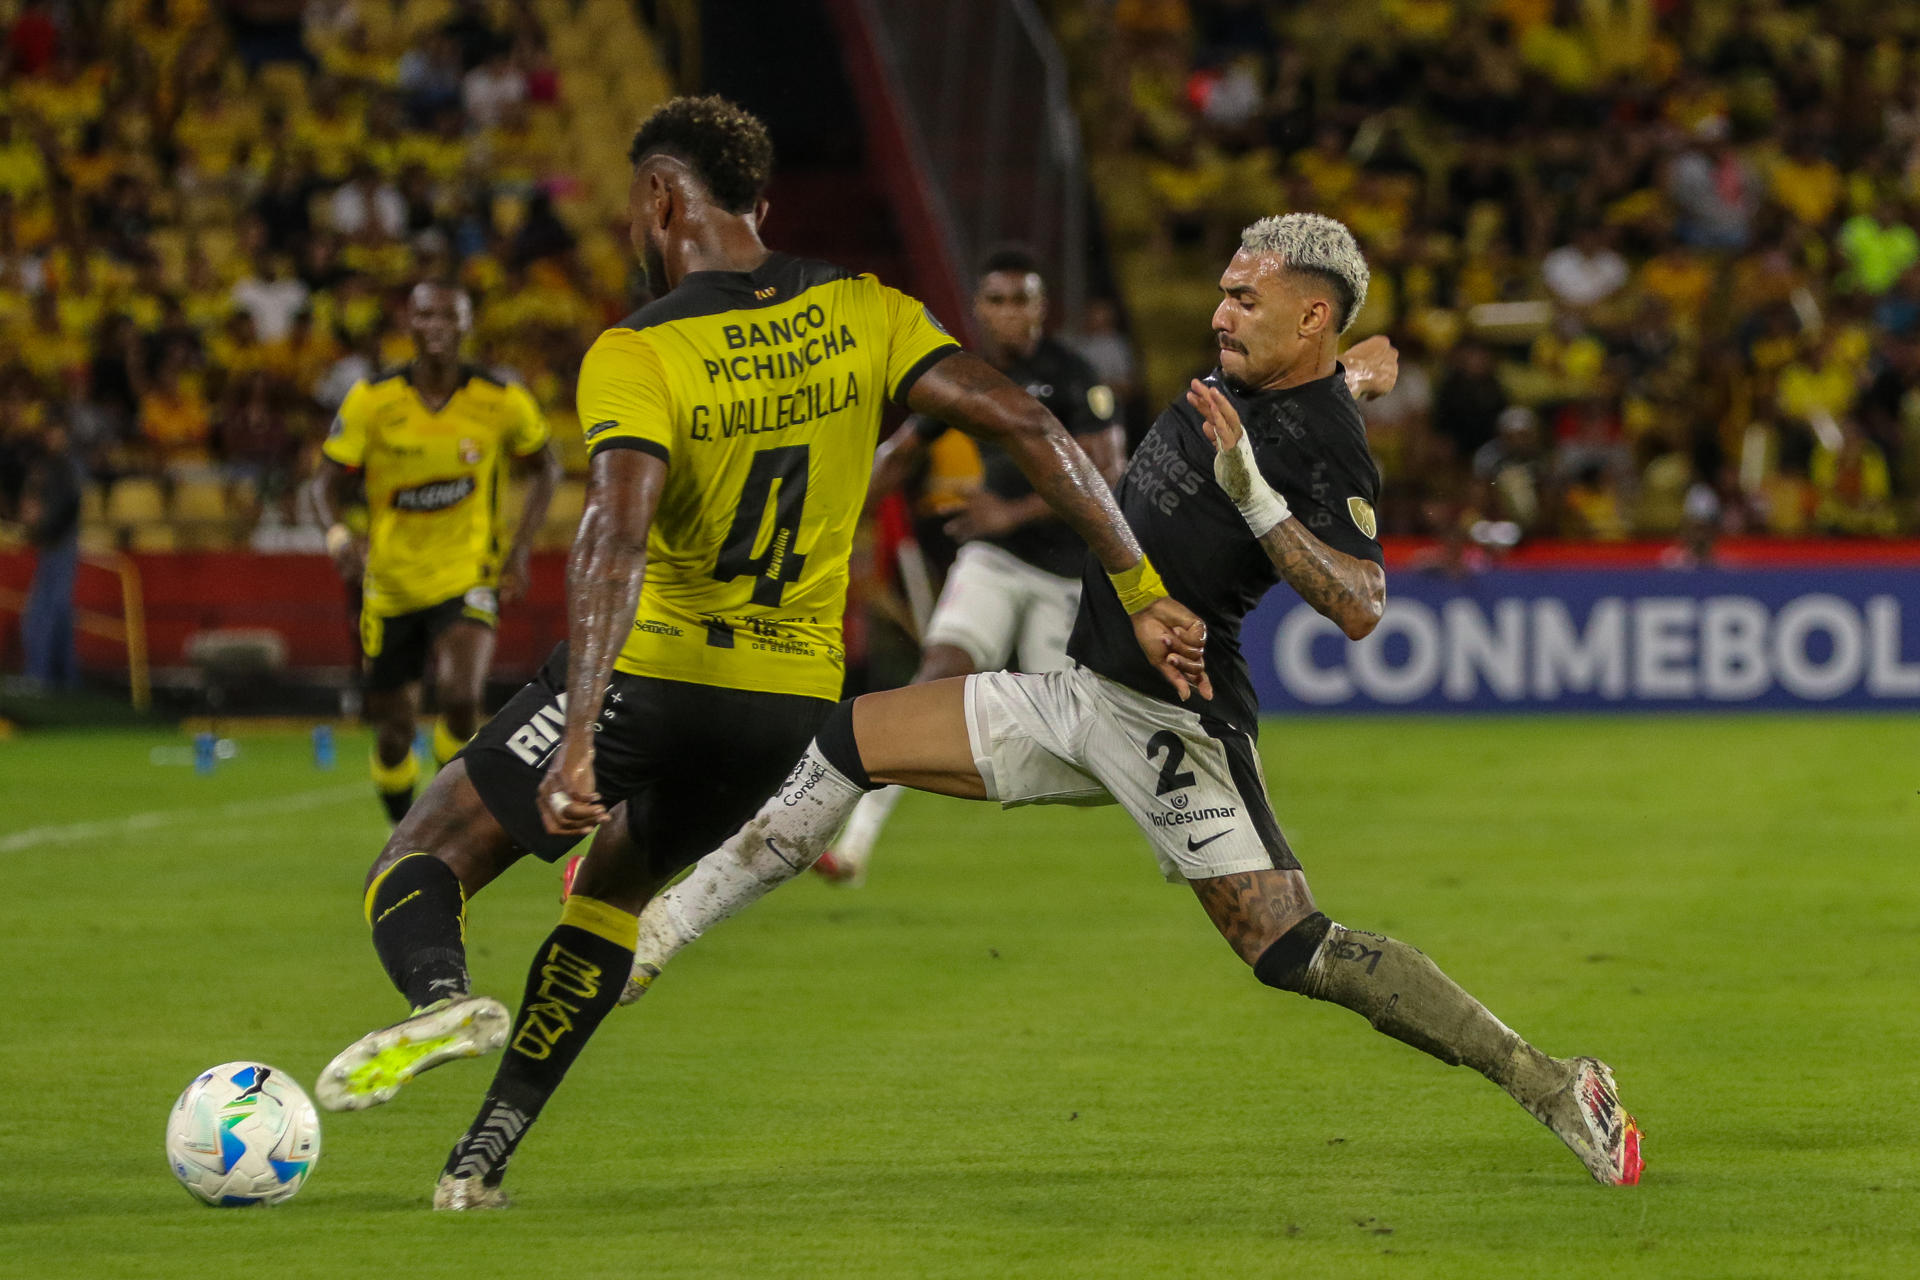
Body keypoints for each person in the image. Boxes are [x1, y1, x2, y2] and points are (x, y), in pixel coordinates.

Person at [618, 213, 1645, 1190]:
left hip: (1174, 725)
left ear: (1307, 316)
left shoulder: (1318, 442)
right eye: (1223, 295)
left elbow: (1361, 604)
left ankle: (1555, 1083)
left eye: (1244, 298)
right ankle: (660, 933)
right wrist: (1368, 369)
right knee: (851, 734)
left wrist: (1254, 491)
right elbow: (1361, 364)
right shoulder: (1284, 365)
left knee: (1293, 948)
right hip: (1076, 693)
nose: (1219, 315)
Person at [308, 96, 1207, 1211]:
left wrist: (580, 732)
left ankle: (436, 995)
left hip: (656, 672)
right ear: (761, 206)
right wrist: (1142, 583)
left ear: (659, 198)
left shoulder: (639, 351)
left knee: (422, 853)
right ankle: (480, 1157)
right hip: (786, 704)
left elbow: (614, 538)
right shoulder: (867, 309)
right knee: (611, 900)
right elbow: (1032, 425)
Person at [815, 246, 1124, 885]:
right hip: (993, 561)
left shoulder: (1072, 374)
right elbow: (900, 454)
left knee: (1085, 749)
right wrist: (830, 527)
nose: (1014, 314)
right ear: (979, 310)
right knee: (932, 680)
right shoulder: (969, 373)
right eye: (999, 300)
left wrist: (1009, 514)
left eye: (1025, 299)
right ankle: (853, 846)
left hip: (1066, 576)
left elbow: (1105, 471)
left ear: (1043, 308)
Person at [310, 281, 561, 823]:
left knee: (461, 695)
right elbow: (323, 483)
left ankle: (445, 820)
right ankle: (402, 826)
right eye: (426, 315)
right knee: (395, 729)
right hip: (391, 584)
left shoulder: (500, 399)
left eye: (450, 314)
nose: (438, 325)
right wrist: (338, 537)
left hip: (467, 571)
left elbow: (547, 465)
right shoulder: (372, 400)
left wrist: (518, 551)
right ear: (411, 323)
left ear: (467, 324)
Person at [17, 416, 84, 689]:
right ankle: (62, 677)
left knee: (46, 613)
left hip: (61, 545)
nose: (53, 438)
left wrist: (42, 525)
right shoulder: (46, 466)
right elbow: (32, 501)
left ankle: (41, 675)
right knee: (56, 612)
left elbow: (69, 506)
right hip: (53, 545)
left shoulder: (66, 468)